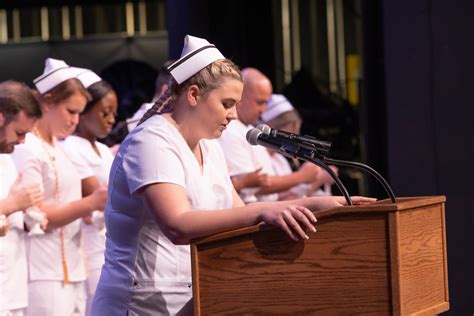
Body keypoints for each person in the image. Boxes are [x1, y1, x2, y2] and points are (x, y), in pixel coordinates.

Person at [91, 35, 375, 315]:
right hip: (138, 304)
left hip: (195, 296)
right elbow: (178, 225)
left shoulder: (210, 147)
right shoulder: (151, 140)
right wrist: (265, 210)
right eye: (227, 103)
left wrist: (314, 206)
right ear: (193, 95)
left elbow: (239, 214)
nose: (234, 115)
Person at [11, 58, 107, 316]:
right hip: (43, 271)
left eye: (79, 113)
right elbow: (36, 216)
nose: (75, 121)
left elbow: (64, 203)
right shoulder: (27, 147)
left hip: (74, 267)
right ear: (47, 101)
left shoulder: (58, 147)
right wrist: (89, 203)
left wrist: (82, 210)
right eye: (70, 111)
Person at [61, 69, 118, 315]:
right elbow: (102, 195)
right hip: (91, 245)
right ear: (83, 112)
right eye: (105, 113)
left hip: (111, 242)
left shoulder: (104, 150)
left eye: (114, 113)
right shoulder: (72, 147)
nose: (112, 119)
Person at [218, 68, 321, 202]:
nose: (264, 109)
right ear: (241, 97)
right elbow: (254, 186)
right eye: (260, 102)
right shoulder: (230, 131)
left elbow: (265, 190)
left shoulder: (248, 129)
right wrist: (302, 176)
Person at [0, 80, 44, 315]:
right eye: (19, 132)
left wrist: (29, 217)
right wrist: (11, 204)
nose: (22, 142)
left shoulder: (7, 158)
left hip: (13, 289)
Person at [260, 94, 337, 198]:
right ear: (273, 128)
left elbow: (296, 198)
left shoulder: (280, 160)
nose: (294, 137)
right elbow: (279, 200)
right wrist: (316, 180)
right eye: (291, 132)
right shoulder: (260, 157)